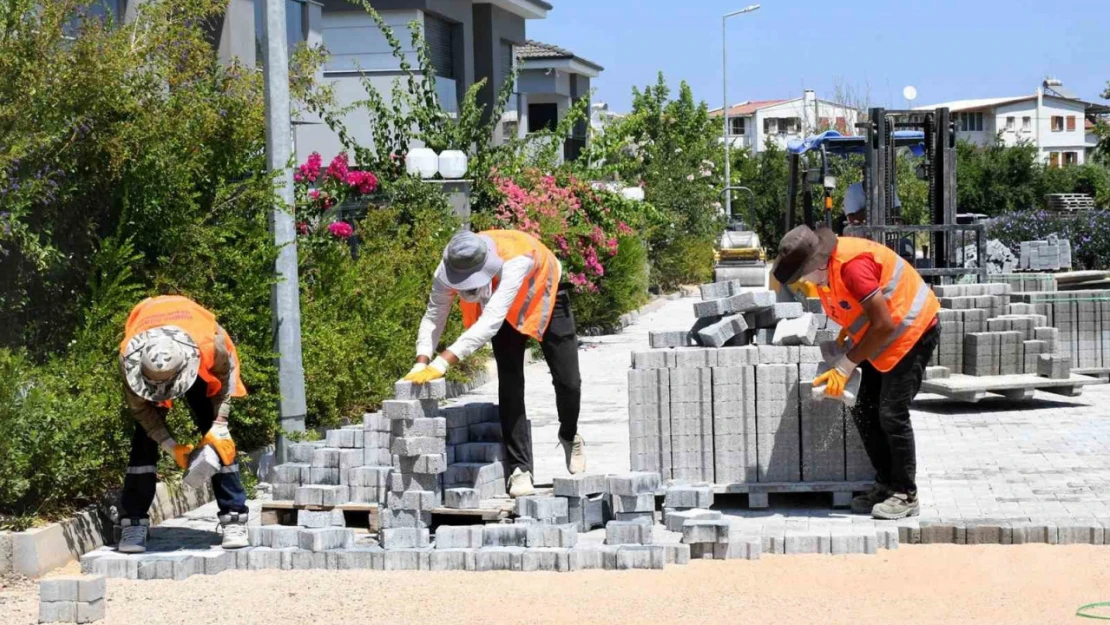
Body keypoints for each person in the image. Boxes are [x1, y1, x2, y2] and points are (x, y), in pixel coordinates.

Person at [772, 225, 940, 519]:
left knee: (892, 412)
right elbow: (858, 312)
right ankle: (886, 484)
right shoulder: (826, 275)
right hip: (884, 332)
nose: (804, 284)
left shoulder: (852, 267)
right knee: (862, 405)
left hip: (912, 330)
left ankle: (905, 494)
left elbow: (885, 324)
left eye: (802, 276)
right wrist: (847, 338)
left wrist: (848, 363)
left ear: (817, 262)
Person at [406, 230, 586, 498]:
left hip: (545, 292)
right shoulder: (448, 267)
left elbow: (491, 320)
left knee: (568, 380)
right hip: (501, 308)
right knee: (511, 381)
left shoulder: (516, 260)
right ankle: (520, 470)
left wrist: (442, 363)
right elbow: (434, 315)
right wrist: (421, 362)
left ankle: (570, 435)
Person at [117, 295, 251, 552]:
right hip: (154, 360)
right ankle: (133, 522)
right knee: (143, 441)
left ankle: (234, 517)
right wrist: (169, 445)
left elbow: (225, 381)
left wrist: (220, 424)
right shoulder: (129, 357)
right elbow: (142, 412)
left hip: (200, 360)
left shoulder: (212, 345)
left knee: (218, 438)